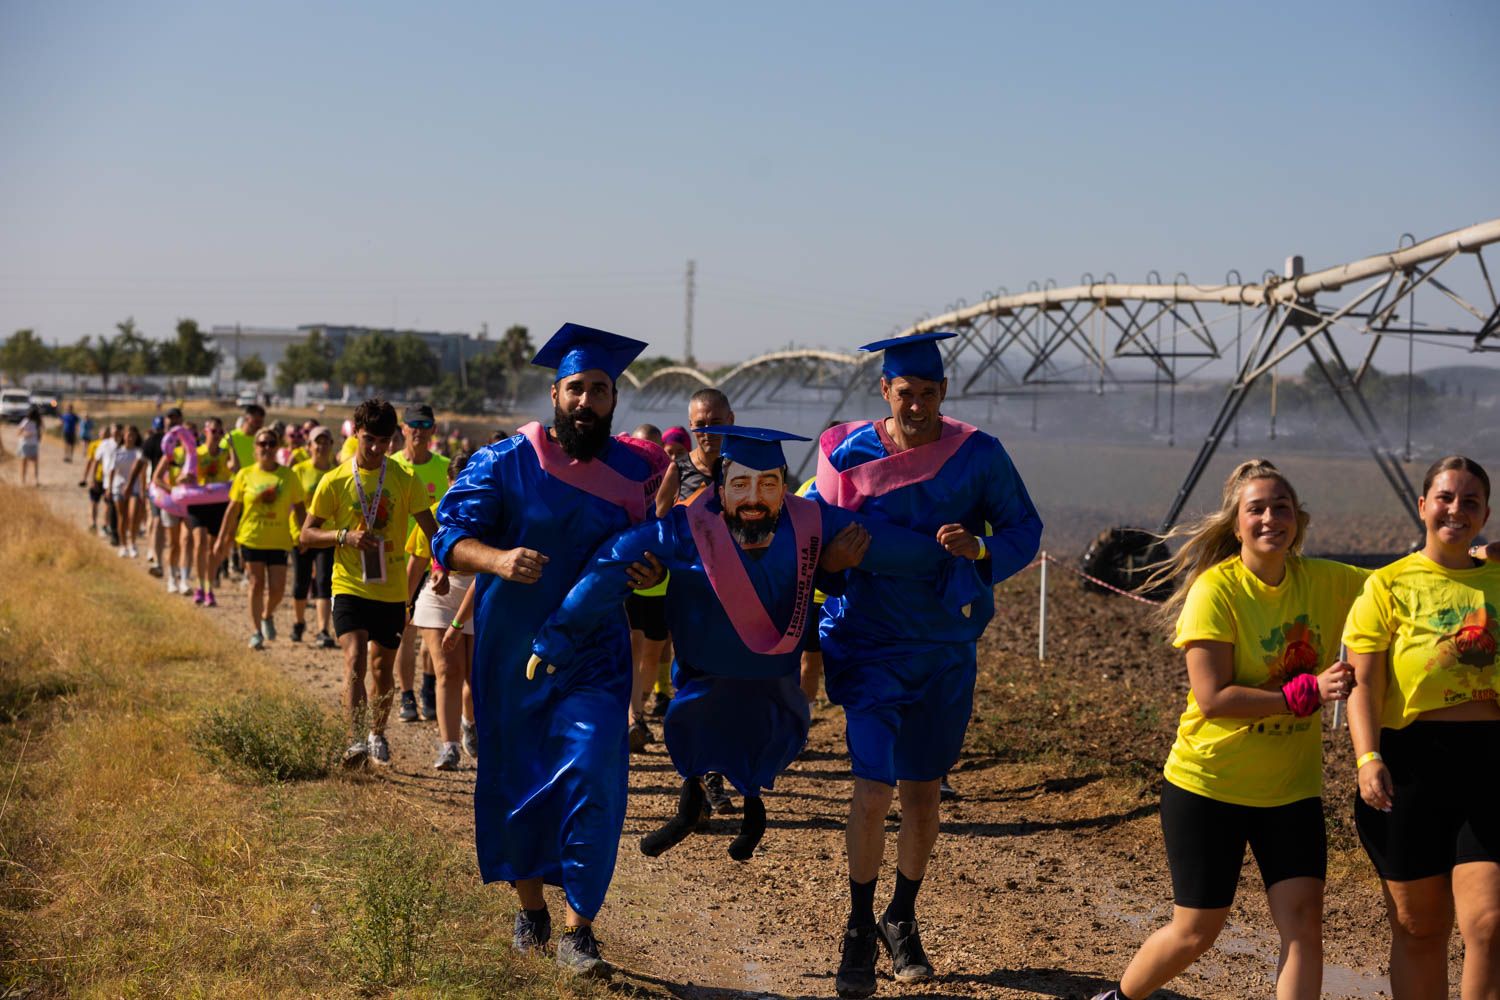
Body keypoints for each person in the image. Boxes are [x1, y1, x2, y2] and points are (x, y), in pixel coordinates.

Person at [530, 426, 978, 863]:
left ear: (784, 486)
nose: (753, 498)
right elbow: (613, 563)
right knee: (697, 735)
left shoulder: (812, 523)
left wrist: (957, 562)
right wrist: (557, 636)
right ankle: (692, 806)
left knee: (761, 744)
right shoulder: (687, 528)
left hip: (773, 686)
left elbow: (892, 547)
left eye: (768, 485)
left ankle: (749, 810)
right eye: (741, 484)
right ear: (720, 487)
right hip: (703, 680)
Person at [432, 323, 670, 976]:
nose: (587, 401)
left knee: (595, 774)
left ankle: (579, 931)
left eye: (600, 390)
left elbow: (645, 547)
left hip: (596, 655)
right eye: (576, 389)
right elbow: (447, 539)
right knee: (519, 780)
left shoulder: (635, 470)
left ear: (614, 399)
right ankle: (531, 908)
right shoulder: (505, 461)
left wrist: (652, 571)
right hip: (512, 655)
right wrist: (497, 559)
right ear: (555, 394)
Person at [812, 332, 1042, 997]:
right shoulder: (843, 452)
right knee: (872, 788)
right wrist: (832, 563)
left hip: (944, 649)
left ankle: (901, 916)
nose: (916, 405)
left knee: (922, 794)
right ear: (884, 390)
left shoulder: (978, 455)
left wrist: (980, 548)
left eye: (928, 394)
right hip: (869, 644)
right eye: (904, 392)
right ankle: (858, 929)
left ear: (944, 393)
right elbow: (813, 539)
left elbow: (1024, 529)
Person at [1091, 460, 1365, 1000]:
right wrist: (1305, 693)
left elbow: (1405, 585)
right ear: (1236, 525)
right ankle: (1118, 999)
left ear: (1298, 521)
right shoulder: (1215, 591)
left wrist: (1475, 557)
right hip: (1209, 785)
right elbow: (1214, 697)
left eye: (1281, 508)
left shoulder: (1327, 580)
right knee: (1196, 932)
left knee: (1304, 924)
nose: (1270, 518)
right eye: (1256, 509)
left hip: (1290, 791)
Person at [1343, 455, 1500, 999]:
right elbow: (1363, 684)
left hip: (1492, 763)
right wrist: (1368, 758)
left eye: (1471, 502)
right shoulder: (1387, 585)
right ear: (1422, 506)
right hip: (1410, 766)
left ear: (1485, 515)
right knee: (1419, 928)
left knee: (1490, 924)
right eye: (1445, 498)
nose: (1457, 510)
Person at [302, 398, 441, 768]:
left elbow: (432, 532)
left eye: (384, 441)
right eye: (369, 440)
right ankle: (355, 742)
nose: (377, 449)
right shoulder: (335, 480)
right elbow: (306, 535)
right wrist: (343, 536)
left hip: (391, 590)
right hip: (349, 584)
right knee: (354, 659)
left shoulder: (404, 479)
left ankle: (377, 734)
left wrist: (442, 565)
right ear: (356, 433)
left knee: (382, 671)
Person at [653, 388, 739, 815]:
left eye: (715, 422)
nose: (708, 431)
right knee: (689, 686)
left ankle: (714, 777)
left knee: (726, 688)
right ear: (691, 426)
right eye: (700, 425)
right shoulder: (679, 468)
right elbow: (658, 520)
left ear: (731, 420)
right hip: (690, 594)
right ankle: (693, 778)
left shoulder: (742, 468)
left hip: (736, 596)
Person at [407, 451, 477, 770]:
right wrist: (404, 603)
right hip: (440, 596)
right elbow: (418, 561)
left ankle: (469, 722)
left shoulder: (491, 513)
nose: (463, 488)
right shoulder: (436, 512)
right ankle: (449, 746)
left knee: (475, 676)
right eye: (457, 482)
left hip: (478, 593)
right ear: (448, 482)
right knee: (448, 669)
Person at [216, 428, 307, 648]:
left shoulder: (289, 475)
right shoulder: (245, 474)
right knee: (256, 584)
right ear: (255, 448)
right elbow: (232, 510)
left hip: (279, 539)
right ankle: (256, 632)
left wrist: (304, 535)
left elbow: (300, 507)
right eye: (262, 444)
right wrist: (221, 538)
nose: (267, 447)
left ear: (277, 447)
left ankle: (266, 614)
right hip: (251, 537)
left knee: (278, 589)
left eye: (271, 443)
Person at [392, 404, 451, 724]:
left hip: (435, 566)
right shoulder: (391, 467)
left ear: (434, 430)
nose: (419, 430)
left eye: (425, 425)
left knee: (435, 635)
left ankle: (428, 688)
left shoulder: (444, 468)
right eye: (413, 424)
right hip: (397, 563)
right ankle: (406, 695)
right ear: (403, 429)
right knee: (405, 632)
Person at [626, 423, 671, 752]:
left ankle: (638, 713)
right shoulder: (622, 480)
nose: (648, 454)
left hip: (660, 583)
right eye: (641, 447)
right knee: (632, 647)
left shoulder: (671, 480)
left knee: (652, 653)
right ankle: (633, 717)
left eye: (655, 448)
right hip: (628, 580)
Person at [290, 426, 338, 647]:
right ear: (309, 446)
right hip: (301, 535)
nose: (321, 446)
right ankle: (299, 622)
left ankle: (322, 630)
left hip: (327, 535)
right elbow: (295, 505)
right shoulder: (298, 471)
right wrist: (302, 535)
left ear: (332, 445)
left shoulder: (337, 473)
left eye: (326, 442)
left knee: (324, 581)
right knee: (301, 582)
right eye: (317, 442)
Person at [186, 417, 234, 606]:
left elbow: (235, 468)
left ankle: (209, 588)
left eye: (220, 432)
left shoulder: (225, 454)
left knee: (214, 549)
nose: (216, 435)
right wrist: (185, 479)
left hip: (218, 504)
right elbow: (186, 474)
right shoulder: (197, 453)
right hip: (199, 502)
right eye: (213, 431)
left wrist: (232, 446)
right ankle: (199, 586)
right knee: (199, 544)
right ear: (205, 432)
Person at [110, 426, 145, 558]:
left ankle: (132, 543)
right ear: (123, 436)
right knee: (122, 517)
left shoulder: (139, 452)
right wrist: (109, 488)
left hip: (134, 488)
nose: (130, 438)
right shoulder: (117, 452)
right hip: (118, 487)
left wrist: (142, 489)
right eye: (128, 435)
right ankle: (123, 545)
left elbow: (142, 471)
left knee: (133, 516)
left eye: (133, 435)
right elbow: (112, 471)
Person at [226, 403, 265, 474]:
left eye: (261, 422)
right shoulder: (231, 437)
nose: (259, 425)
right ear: (247, 418)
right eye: (256, 421)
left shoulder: (263, 440)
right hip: (236, 479)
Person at [16, 405, 42, 487]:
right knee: (24, 463)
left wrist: (38, 438)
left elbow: (39, 433)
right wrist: (26, 434)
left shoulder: (37, 422)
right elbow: (18, 432)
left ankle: (35, 480)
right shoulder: (25, 421)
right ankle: (22, 481)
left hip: (33, 444)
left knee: (35, 463)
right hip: (25, 444)